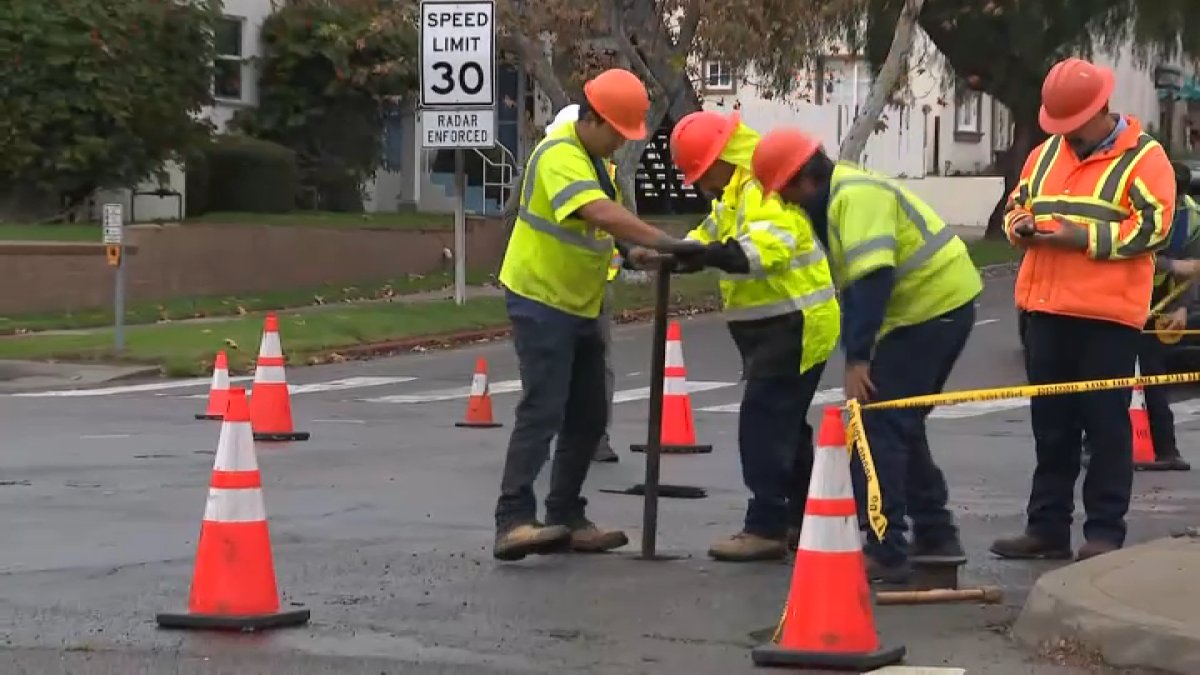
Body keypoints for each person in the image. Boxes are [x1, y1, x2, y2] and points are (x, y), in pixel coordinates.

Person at [751, 127, 983, 584]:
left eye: (786, 193)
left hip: (931, 310)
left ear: (805, 179)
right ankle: (935, 534)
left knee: (878, 424)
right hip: (928, 310)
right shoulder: (840, 196)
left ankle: (887, 548)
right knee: (898, 421)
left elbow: (872, 281)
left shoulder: (853, 199)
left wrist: (858, 359)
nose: (787, 203)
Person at [492, 69, 706, 561]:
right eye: (616, 133)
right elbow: (598, 214)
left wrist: (634, 257)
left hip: (581, 303)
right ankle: (513, 519)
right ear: (592, 119)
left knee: (589, 417)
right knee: (543, 408)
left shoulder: (598, 165)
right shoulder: (559, 155)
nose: (618, 145)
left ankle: (566, 515)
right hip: (540, 298)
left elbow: (598, 236)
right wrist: (661, 239)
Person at [990, 57, 1176, 562]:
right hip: (1045, 310)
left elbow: (1154, 228)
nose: (1066, 134)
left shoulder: (1144, 158)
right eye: (1060, 126)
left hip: (1106, 317)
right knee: (1052, 429)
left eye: (1073, 124)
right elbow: (1017, 205)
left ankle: (1103, 535)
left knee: (1106, 428)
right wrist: (1020, 227)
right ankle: (1046, 529)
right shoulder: (1046, 154)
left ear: (1102, 111)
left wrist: (1081, 238)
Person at [644, 110, 839, 562]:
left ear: (722, 158)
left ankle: (766, 526)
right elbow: (711, 234)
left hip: (793, 321)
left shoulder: (761, 188)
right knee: (785, 426)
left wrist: (714, 255)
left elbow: (767, 247)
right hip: (780, 325)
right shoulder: (734, 194)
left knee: (763, 425)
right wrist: (676, 251)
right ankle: (803, 517)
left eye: (702, 173)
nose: (701, 184)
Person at [541, 103, 624, 465]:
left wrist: (631, 253)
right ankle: (548, 437)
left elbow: (623, 222)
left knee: (596, 367)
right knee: (549, 366)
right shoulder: (548, 164)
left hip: (594, 285)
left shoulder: (609, 173)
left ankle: (595, 438)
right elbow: (516, 219)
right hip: (548, 286)